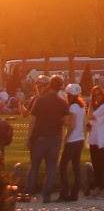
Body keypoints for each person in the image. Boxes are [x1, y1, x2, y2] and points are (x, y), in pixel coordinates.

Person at [27, 74, 68, 202]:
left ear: (49, 85)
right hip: (55, 137)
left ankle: (28, 193)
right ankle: (46, 195)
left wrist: (28, 137)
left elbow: (32, 120)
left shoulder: (40, 100)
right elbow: (66, 121)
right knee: (51, 167)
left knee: (34, 166)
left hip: (40, 136)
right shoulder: (63, 102)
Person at [59, 84, 87, 201]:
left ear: (69, 95)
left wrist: (66, 137)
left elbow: (72, 124)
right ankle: (74, 193)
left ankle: (65, 193)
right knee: (76, 167)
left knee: (63, 166)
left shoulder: (73, 107)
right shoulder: (81, 107)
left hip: (72, 140)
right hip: (80, 139)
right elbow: (82, 124)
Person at [86, 86, 104, 196]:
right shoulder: (96, 106)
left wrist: (90, 104)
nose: (97, 97)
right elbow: (91, 120)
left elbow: (91, 116)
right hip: (95, 137)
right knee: (96, 163)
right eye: (95, 95)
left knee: (103, 163)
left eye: (99, 94)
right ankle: (98, 186)